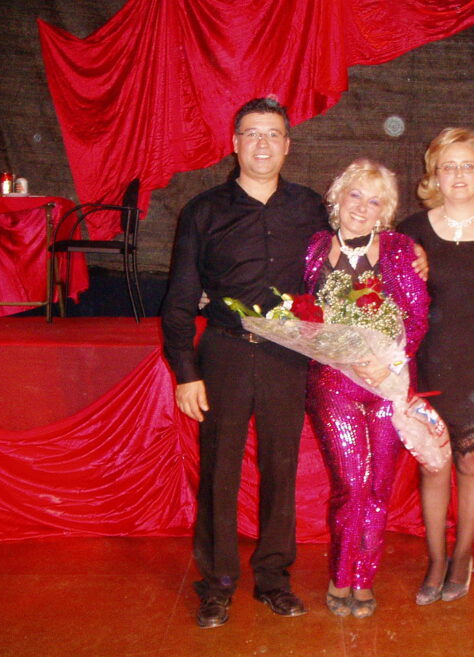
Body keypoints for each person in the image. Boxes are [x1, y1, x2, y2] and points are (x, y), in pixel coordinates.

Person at [161, 97, 330, 629]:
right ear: (234, 144)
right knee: (219, 472)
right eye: (252, 134)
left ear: (287, 145)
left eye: (273, 134)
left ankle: (274, 580)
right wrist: (187, 372)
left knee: (282, 468)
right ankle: (218, 584)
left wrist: (406, 254)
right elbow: (181, 298)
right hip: (225, 354)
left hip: (288, 355)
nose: (262, 143)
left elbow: (352, 262)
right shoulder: (203, 211)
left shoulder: (311, 208)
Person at [304, 159, 429, 619]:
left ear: (385, 211)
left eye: (375, 200)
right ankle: (340, 574)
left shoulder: (399, 249)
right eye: (355, 195)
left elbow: (417, 318)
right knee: (350, 484)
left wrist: (389, 363)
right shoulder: (315, 249)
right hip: (333, 382)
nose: (362, 206)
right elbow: (301, 311)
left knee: (378, 487)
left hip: (387, 383)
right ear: (337, 198)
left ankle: (363, 580)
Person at [397, 128, 474, 605]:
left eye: (468, 165)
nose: (459, 174)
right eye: (449, 166)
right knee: (434, 463)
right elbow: (393, 299)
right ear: (434, 176)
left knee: (471, 459)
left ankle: (462, 555)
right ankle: (437, 558)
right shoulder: (412, 230)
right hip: (431, 360)